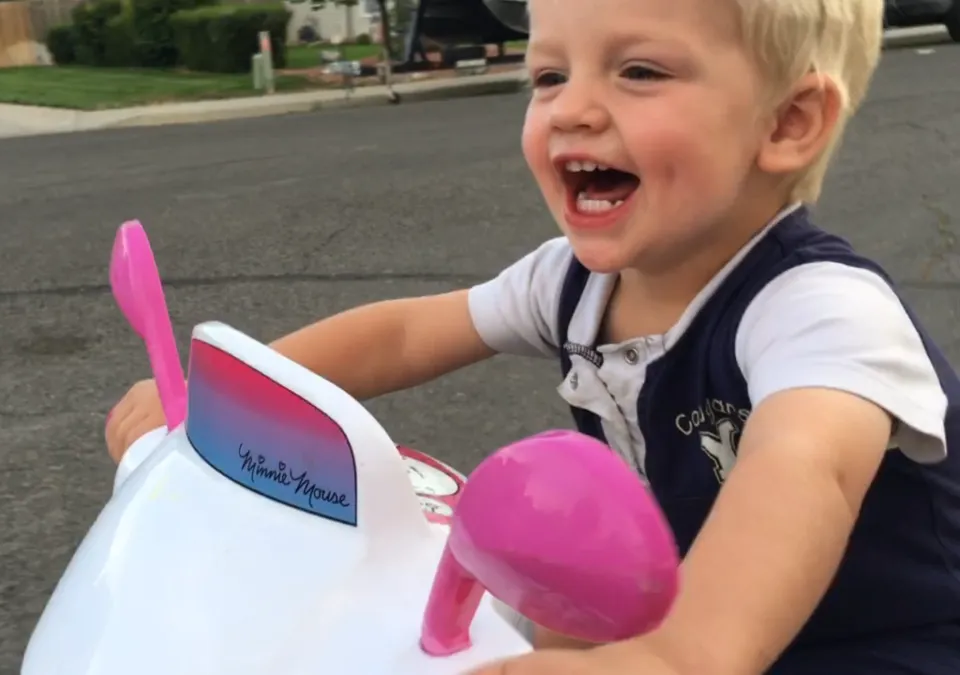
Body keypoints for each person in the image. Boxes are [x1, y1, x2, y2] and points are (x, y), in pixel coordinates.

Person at [106, 0, 960, 672]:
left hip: (880, 641)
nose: (573, 109)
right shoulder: (571, 280)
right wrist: (236, 391)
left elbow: (804, 466)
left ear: (787, 123)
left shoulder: (821, 308)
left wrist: (676, 658)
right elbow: (407, 333)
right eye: (549, 75)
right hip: (681, 610)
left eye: (639, 70)